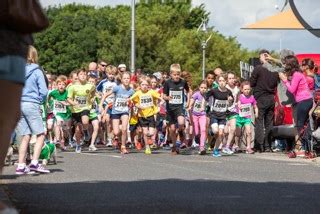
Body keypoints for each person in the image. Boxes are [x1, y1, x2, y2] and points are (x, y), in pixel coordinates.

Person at [15, 45, 50, 174]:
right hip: (31, 103)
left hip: (18, 104)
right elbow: (44, 91)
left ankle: (21, 165)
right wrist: (40, 100)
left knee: (25, 135)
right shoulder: (37, 71)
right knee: (40, 134)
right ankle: (35, 162)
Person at [279, 55, 313, 158]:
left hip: (304, 100)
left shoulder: (297, 74)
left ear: (290, 64)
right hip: (304, 100)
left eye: (285, 63)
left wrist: (284, 80)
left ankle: (304, 148)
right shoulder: (296, 74)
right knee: (304, 125)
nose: (284, 65)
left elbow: (292, 89)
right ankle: (307, 149)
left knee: (300, 125)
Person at [250, 49, 279, 152]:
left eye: (260, 57)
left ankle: (260, 145)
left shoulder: (258, 68)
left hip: (260, 98)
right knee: (269, 123)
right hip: (271, 98)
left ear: (263, 57)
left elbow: (252, 83)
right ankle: (268, 146)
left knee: (259, 122)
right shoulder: (275, 70)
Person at [100, 72, 134, 154]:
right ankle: (117, 140)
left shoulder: (131, 91)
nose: (126, 80)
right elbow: (105, 95)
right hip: (115, 111)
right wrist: (101, 104)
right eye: (125, 78)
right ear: (121, 80)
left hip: (125, 111)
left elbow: (135, 100)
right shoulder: (117, 88)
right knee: (116, 132)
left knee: (124, 129)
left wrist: (132, 105)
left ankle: (123, 146)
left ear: (130, 80)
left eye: (128, 78)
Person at [131, 76, 164, 154]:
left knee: (151, 133)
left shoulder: (151, 92)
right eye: (142, 84)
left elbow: (159, 98)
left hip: (150, 115)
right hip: (142, 116)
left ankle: (149, 139)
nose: (144, 86)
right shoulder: (138, 93)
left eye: (146, 84)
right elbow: (133, 101)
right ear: (140, 85)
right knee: (145, 132)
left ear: (148, 85)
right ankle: (147, 147)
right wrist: (139, 106)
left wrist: (161, 102)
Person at [163, 64, 190, 155]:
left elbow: (189, 90)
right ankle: (175, 146)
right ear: (170, 74)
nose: (177, 76)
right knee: (172, 129)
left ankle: (181, 131)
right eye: (175, 74)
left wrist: (188, 101)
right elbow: (163, 95)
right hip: (170, 108)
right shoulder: (167, 83)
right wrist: (167, 98)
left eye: (178, 74)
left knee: (181, 122)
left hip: (179, 107)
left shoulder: (183, 82)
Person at [67, 69, 96, 153]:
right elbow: (68, 99)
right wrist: (73, 103)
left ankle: (86, 131)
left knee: (85, 121)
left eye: (84, 74)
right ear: (77, 76)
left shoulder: (90, 85)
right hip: (75, 110)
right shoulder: (72, 87)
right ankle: (78, 144)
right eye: (81, 74)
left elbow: (94, 90)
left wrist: (92, 97)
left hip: (85, 107)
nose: (83, 76)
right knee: (77, 130)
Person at [206, 74, 233, 157]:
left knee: (221, 134)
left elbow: (231, 102)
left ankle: (216, 150)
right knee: (215, 131)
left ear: (226, 82)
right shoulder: (214, 90)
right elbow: (205, 96)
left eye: (223, 81)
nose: (222, 83)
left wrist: (230, 100)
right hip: (214, 114)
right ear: (217, 82)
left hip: (222, 116)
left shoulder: (228, 92)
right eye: (220, 81)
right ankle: (211, 132)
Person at [48, 75, 72, 150]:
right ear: (57, 85)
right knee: (58, 123)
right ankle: (57, 140)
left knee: (65, 130)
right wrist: (49, 103)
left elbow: (71, 102)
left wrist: (66, 103)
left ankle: (64, 141)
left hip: (66, 113)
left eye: (63, 84)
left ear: (65, 85)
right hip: (57, 113)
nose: (61, 86)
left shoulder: (67, 93)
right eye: (59, 84)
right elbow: (49, 97)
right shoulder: (54, 92)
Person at [235, 81, 258, 154]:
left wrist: (256, 112)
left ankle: (248, 147)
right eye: (245, 89)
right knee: (238, 134)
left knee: (249, 132)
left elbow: (255, 106)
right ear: (242, 90)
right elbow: (236, 103)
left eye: (248, 89)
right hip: (239, 117)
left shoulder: (252, 97)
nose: (247, 91)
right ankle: (236, 146)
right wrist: (238, 105)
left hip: (247, 117)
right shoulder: (240, 96)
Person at [188, 80, 207, 155]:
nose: (203, 89)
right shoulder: (196, 94)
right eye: (202, 87)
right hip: (195, 115)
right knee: (196, 132)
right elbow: (192, 100)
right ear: (199, 87)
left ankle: (202, 147)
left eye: (205, 88)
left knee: (203, 129)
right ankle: (197, 139)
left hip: (202, 114)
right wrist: (190, 106)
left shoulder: (207, 95)